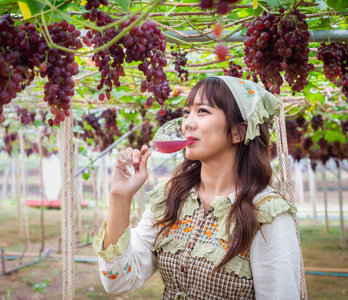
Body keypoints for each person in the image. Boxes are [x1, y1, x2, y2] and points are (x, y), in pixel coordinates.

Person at [92, 76, 301, 299]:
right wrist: (120, 197)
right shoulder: (172, 197)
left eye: (202, 111)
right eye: (186, 112)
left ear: (238, 132)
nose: (187, 123)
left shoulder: (267, 214)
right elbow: (118, 282)